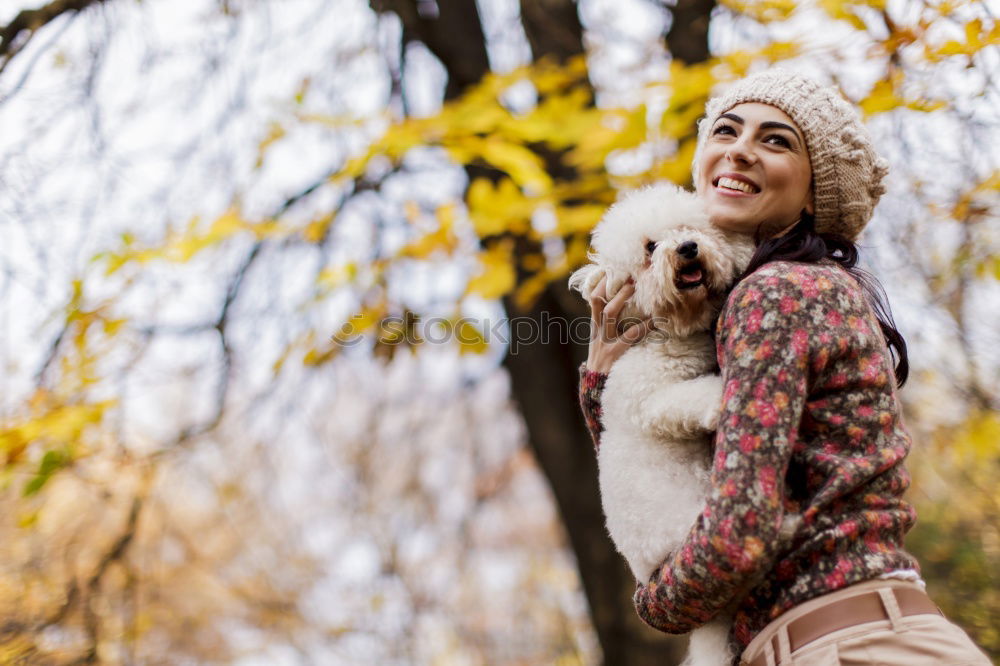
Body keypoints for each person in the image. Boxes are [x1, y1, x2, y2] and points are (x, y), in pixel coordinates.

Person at [578, 69, 992, 666]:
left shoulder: (775, 293)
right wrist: (603, 380)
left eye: (776, 140)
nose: (741, 149)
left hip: (850, 646)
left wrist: (654, 603)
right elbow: (657, 460)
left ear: (813, 193)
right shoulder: (779, 295)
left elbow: (739, 533)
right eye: (726, 130)